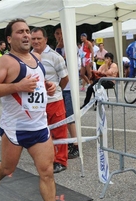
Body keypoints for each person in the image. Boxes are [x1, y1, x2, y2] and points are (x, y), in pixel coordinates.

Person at [0, 18, 73, 201]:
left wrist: (48, 86)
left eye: (27, 31)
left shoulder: (37, 57)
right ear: (9, 38)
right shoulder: (5, 62)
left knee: (46, 171)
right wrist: (18, 86)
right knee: (7, 168)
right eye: (20, 32)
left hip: (39, 127)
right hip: (15, 128)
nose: (26, 35)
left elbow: (37, 83)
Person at [31, 27, 69, 173]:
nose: (35, 41)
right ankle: (48, 158)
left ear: (45, 40)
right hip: (37, 103)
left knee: (59, 132)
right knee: (42, 132)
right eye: (33, 39)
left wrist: (57, 89)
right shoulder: (29, 56)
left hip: (54, 101)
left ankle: (61, 161)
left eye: (39, 38)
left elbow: (65, 78)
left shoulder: (55, 57)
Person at [54, 25, 79, 159]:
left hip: (69, 86)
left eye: (61, 33)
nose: (59, 36)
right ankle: (71, 141)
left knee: (70, 117)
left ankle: (76, 144)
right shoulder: (58, 48)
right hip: (62, 86)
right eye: (57, 34)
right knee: (65, 117)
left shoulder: (71, 47)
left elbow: (63, 64)